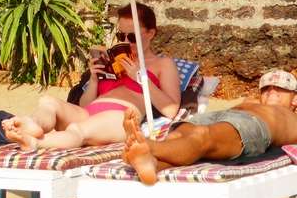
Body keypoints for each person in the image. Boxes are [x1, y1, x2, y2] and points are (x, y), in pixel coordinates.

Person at [4, 2, 180, 151]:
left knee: (77, 129)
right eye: (121, 35)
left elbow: (171, 110)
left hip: (120, 117)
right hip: (88, 112)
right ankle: (33, 124)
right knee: (48, 101)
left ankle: (35, 143)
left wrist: (141, 78)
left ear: (150, 33)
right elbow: (84, 105)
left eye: (132, 37)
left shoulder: (163, 64)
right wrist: (94, 79)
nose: (125, 41)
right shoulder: (112, 60)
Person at [122, 69, 297, 184]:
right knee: (178, 135)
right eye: (266, 88)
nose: (271, 91)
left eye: (280, 88)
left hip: (253, 124)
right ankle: (152, 162)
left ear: (295, 98)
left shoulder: (292, 117)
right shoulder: (250, 101)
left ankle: (150, 146)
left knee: (202, 136)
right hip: (220, 115)